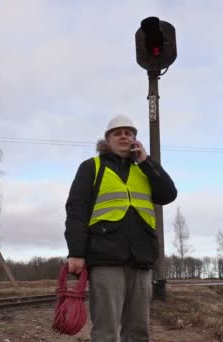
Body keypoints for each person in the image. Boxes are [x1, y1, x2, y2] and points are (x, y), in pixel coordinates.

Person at [64, 114, 177, 342]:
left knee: (138, 331)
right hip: (106, 259)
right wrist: (76, 253)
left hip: (142, 260)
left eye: (129, 133)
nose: (124, 136)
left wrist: (146, 161)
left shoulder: (144, 169)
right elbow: (76, 211)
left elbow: (168, 194)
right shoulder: (91, 167)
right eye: (118, 133)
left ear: (135, 139)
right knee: (106, 331)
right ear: (107, 140)